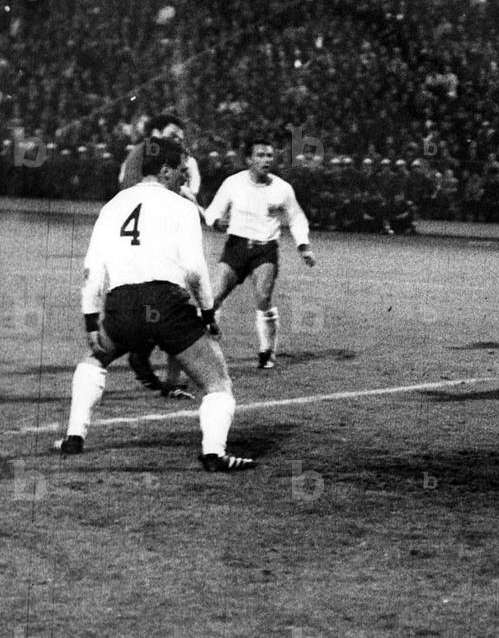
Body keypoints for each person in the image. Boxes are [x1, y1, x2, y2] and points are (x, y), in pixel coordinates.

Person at [55, 136, 254, 472]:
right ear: (164, 171)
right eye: (181, 172)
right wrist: (207, 312)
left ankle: (74, 437)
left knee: (94, 359)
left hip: (121, 303)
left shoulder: (113, 206)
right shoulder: (181, 207)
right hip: (166, 303)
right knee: (217, 381)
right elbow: (193, 267)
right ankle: (213, 454)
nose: (186, 179)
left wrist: (91, 320)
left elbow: (93, 269)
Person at [205, 140, 316, 369]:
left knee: (263, 297)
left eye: (269, 155)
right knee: (213, 298)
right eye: (261, 155)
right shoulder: (232, 183)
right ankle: (207, 348)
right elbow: (212, 212)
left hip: (265, 249)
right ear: (249, 160)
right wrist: (217, 221)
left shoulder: (282, 188)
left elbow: (296, 217)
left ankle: (267, 351)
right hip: (236, 247)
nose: (267, 160)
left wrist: (303, 246)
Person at [118, 114, 200, 399]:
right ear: (156, 133)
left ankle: (169, 374)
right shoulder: (142, 156)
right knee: (172, 301)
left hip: (170, 234)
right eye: (172, 134)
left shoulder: (182, 160)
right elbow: (129, 191)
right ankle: (142, 352)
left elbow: (188, 191)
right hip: (149, 239)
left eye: (180, 135)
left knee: (173, 302)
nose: (178, 139)